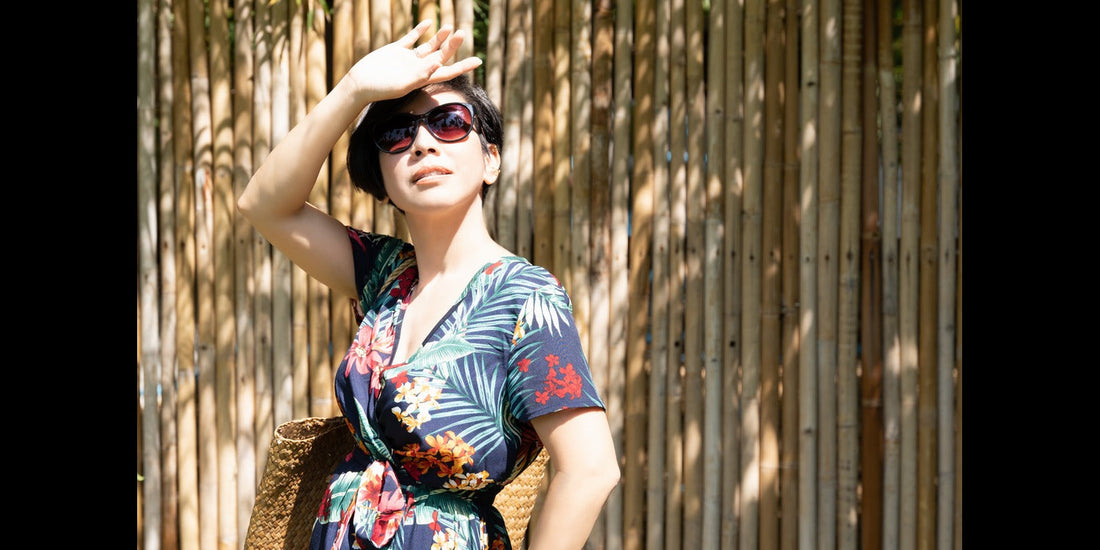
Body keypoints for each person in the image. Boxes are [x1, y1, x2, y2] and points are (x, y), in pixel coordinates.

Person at [237, 20, 620, 550]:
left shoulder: (524, 296)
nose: (421, 142)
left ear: (491, 159)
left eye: (449, 123)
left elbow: (591, 468)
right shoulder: (384, 276)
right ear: (382, 176)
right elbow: (265, 206)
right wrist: (355, 89)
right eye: (397, 133)